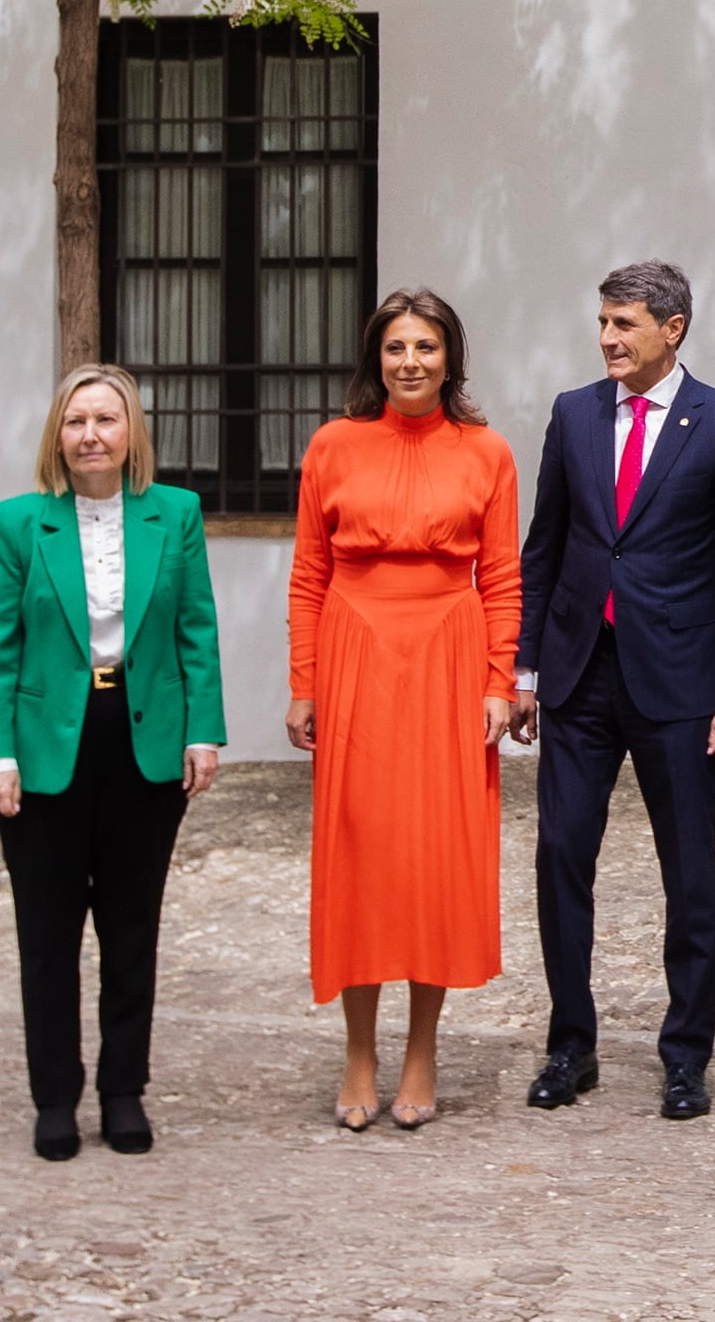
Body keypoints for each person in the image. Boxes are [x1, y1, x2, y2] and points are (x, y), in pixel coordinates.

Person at [509, 261, 715, 1117]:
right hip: (579, 677)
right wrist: (524, 670)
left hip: (684, 683)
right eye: (604, 323)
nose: (609, 339)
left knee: (689, 872)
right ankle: (569, 1046)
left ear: (673, 327)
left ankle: (686, 1055)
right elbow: (543, 546)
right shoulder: (573, 414)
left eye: (625, 324)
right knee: (559, 856)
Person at [0, 363, 225, 1162]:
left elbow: (196, 629)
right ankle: (55, 1096)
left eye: (106, 419)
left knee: (129, 926)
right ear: (58, 434)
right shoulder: (19, 523)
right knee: (46, 933)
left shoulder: (173, 514)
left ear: (131, 432)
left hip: (140, 739)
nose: (90, 434)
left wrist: (203, 731)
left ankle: (123, 1092)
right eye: (76, 421)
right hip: (46, 749)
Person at [288, 287, 524, 1129]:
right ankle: (358, 1052)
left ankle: (421, 1052)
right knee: (360, 850)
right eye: (396, 349)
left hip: (449, 659)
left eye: (426, 347)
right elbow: (309, 573)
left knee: (431, 854)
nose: (411, 362)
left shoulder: (487, 451)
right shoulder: (333, 445)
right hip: (355, 649)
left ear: (449, 359)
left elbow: (500, 576)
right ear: (374, 360)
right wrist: (305, 683)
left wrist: (500, 682)